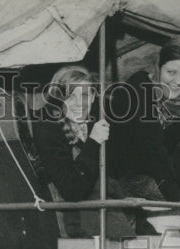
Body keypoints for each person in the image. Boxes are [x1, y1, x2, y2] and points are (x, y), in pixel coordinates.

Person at [31, 65, 170, 239]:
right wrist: (94, 142)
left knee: (152, 239)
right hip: (76, 217)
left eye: (84, 95)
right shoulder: (48, 128)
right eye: (69, 96)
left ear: (92, 97)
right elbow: (72, 190)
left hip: (109, 206)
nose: (79, 104)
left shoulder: (97, 121)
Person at [107, 38, 180, 214]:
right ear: (158, 68)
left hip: (140, 176)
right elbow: (153, 147)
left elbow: (166, 151)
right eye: (171, 72)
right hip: (111, 177)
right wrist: (176, 196)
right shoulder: (138, 88)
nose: (177, 81)